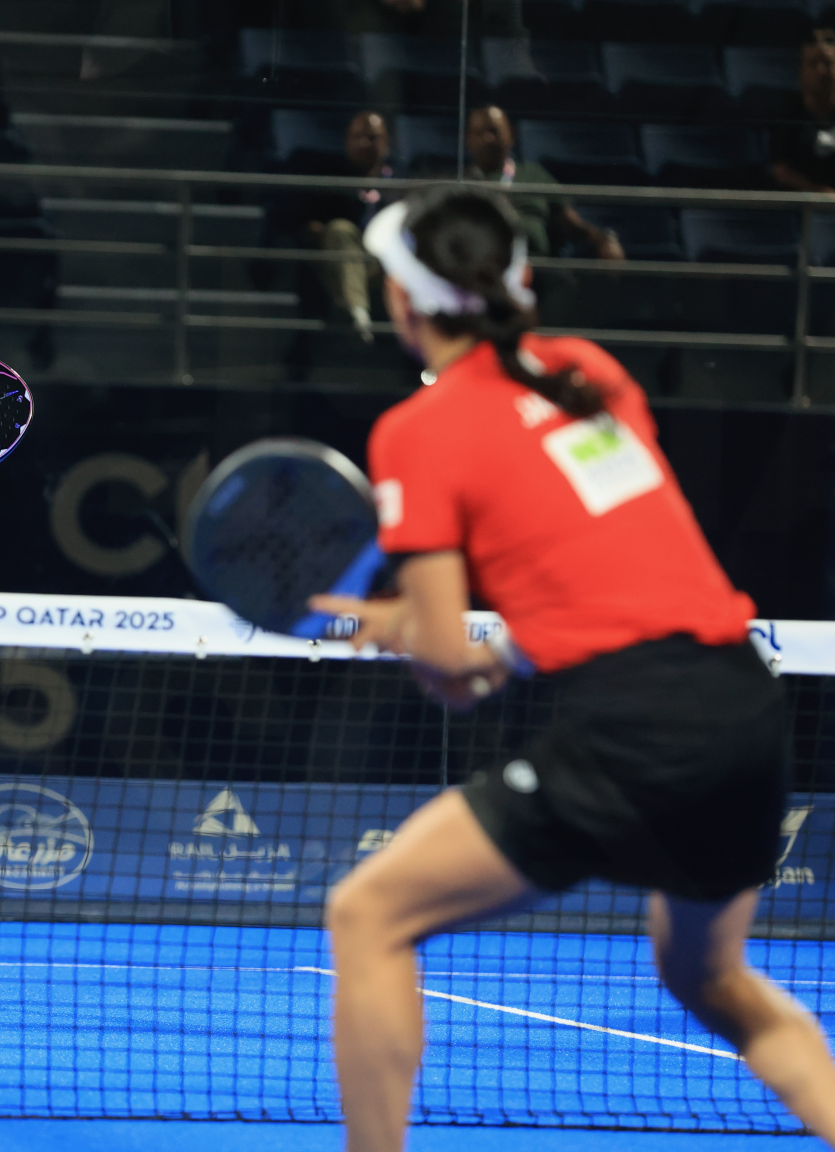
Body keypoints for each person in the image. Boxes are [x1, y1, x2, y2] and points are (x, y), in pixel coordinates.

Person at [310, 186, 835, 1151]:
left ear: (403, 301)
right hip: (743, 706)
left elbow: (447, 670)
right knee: (710, 978)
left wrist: (397, 631)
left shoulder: (417, 431)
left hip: (637, 725)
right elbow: (607, 570)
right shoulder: (586, 370)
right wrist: (491, 650)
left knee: (368, 913)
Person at [464, 106, 625, 262]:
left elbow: (571, 224)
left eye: (494, 131)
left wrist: (603, 239)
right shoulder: (461, 182)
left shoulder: (534, 174)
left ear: (511, 134)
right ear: (468, 140)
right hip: (483, 267)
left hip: (536, 266)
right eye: (479, 133)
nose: (488, 139)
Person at [301, 110, 396, 345]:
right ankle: (358, 315)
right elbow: (307, 223)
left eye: (372, 137)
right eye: (358, 137)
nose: (364, 143)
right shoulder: (330, 180)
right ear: (346, 142)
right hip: (341, 260)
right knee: (340, 229)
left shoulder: (401, 182)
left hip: (384, 266)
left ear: (386, 142)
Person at [771, 29, 835, 195]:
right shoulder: (788, 115)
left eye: (828, 63)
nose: (821, 71)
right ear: (801, 71)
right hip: (802, 203)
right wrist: (817, 191)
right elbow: (780, 169)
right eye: (813, 64)